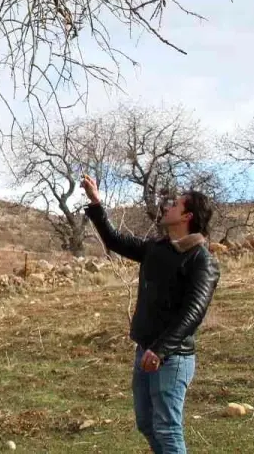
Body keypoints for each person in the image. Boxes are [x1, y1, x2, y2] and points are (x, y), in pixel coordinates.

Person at [81, 174, 220, 454]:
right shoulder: (158, 249)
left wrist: (160, 350)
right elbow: (115, 240)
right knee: (146, 423)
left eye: (175, 205)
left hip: (172, 357)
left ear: (187, 216)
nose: (167, 207)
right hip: (145, 350)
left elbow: (193, 313)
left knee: (167, 428)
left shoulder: (201, 260)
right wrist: (96, 202)